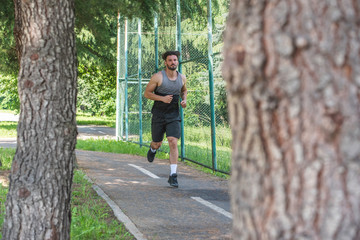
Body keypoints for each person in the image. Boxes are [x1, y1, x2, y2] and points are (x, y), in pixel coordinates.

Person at [144, 51, 187, 188]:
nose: (173, 62)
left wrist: (184, 100)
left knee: (173, 141)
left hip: (173, 114)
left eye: (175, 60)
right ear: (165, 63)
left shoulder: (182, 78)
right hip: (159, 113)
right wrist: (162, 98)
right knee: (157, 143)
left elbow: (183, 90)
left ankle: (173, 175)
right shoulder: (158, 77)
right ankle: (153, 149)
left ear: (177, 62)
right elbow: (147, 93)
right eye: (170, 60)